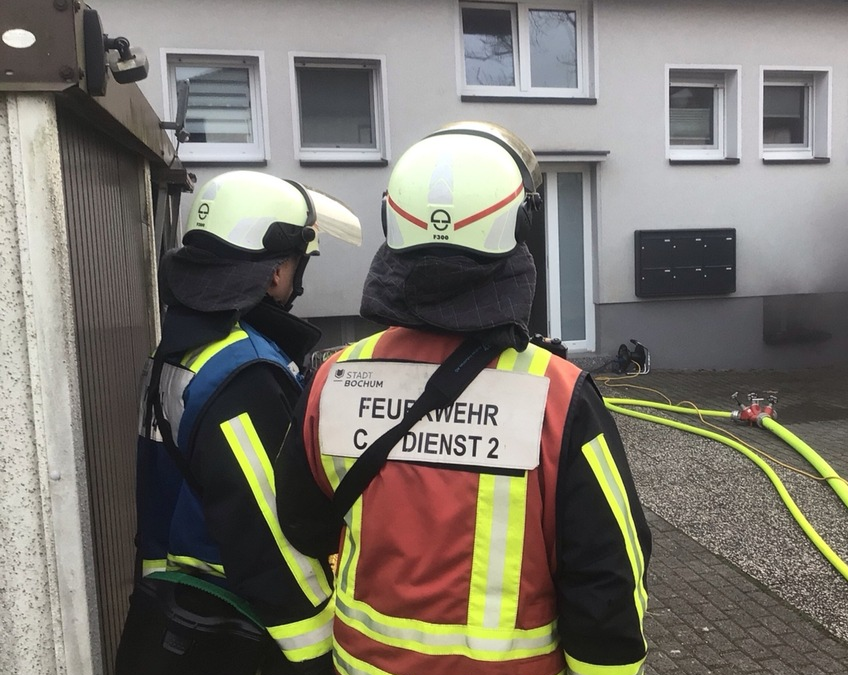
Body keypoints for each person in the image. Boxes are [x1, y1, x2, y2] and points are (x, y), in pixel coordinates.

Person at [276, 122, 651, 675]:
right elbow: (607, 583)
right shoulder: (559, 396)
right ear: (519, 227)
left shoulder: (332, 379)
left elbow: (300, 527)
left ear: (391, 225)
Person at [116, 169, 361, 675]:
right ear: (275, 274)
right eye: (296, 264)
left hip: (172, 619)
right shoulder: (243, 373)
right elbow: (273, 541)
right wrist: (322, 657)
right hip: (237, 631)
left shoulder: (174, 351)